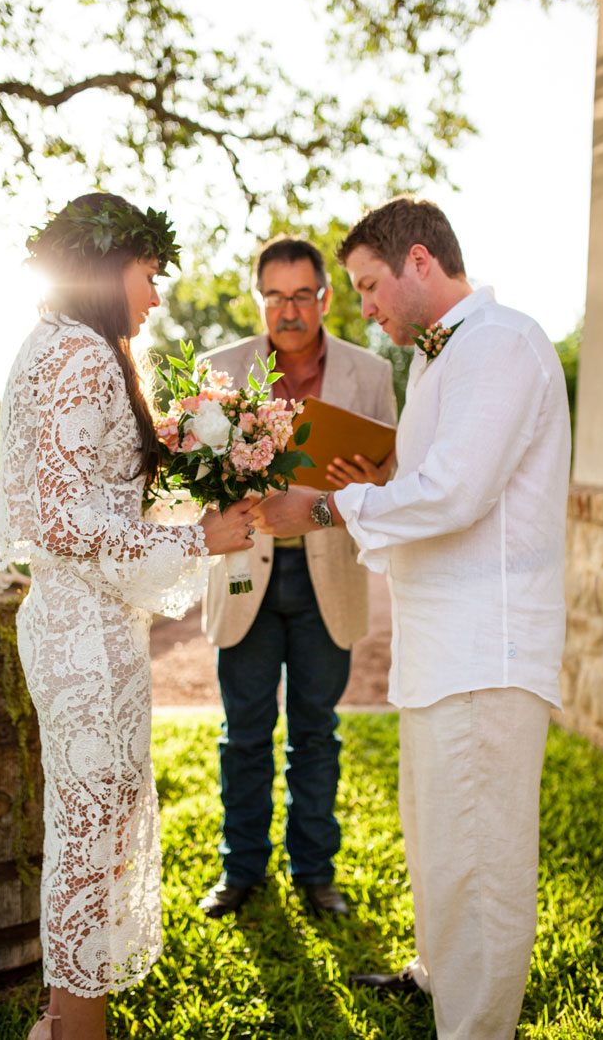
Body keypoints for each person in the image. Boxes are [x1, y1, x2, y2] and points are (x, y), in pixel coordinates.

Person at [251, 198, 570, 1040]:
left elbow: (457, 495)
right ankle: (436, 975)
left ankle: (476, 1029)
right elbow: (418, 495)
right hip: (441, 649)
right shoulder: (437, 361)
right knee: (437, 839)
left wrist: (323, 508)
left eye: (366, 287)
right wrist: (368, 482)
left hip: (485, 649)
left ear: (419, 262)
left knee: (480, 863)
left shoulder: (500, 344)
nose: (364, 309)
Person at [0, 193, 255, 1040]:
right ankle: (76, 1031)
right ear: (111, 267)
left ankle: (61, 1020)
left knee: (85, 827)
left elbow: (84, 495)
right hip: (85, 634)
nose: (153, 296)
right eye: (149, 275)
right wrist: (200, 539)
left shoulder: (55, 346)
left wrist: (188, 452)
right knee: (93, 835)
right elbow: (69, 522)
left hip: (73, 624)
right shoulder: (85, 357)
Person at [198, 236, 397, 919]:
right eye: (275, 297)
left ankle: (316, 874)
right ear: (260, 299)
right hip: (243, 577)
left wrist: (373, 481)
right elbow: (189, 481)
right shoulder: (217, 371)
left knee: (317, 733)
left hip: (328, 580)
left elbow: (391, 476)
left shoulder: (370, 373)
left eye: (301, 296)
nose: (288, 311)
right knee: (244, 734)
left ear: (325, 298)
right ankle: (240, 872)